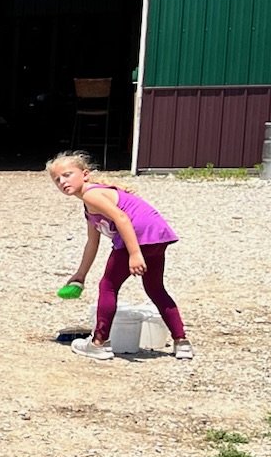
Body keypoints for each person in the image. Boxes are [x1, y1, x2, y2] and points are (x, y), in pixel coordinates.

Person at [48, 151, 192, 361]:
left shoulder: (91, 194)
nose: (62, 182)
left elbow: (122, 218)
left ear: (85, 174)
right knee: (155, 288)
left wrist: (134, 254)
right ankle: (182, 342)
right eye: (57, 179)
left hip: (138, 237)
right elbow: (92, 242)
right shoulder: (89, 204)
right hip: (157, 236)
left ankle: (99, 343)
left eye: (67, 175)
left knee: (108, 286)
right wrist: (80, 274)